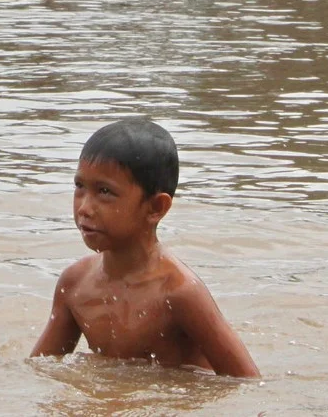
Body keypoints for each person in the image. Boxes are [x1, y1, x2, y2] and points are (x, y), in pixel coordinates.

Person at [30, 119, 259, 378]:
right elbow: (39, 371)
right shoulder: (74, 284)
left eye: (104, 191)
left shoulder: (179, 293)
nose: (84, 207)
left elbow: (247, 383)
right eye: (80, 187)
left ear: (156, 208)